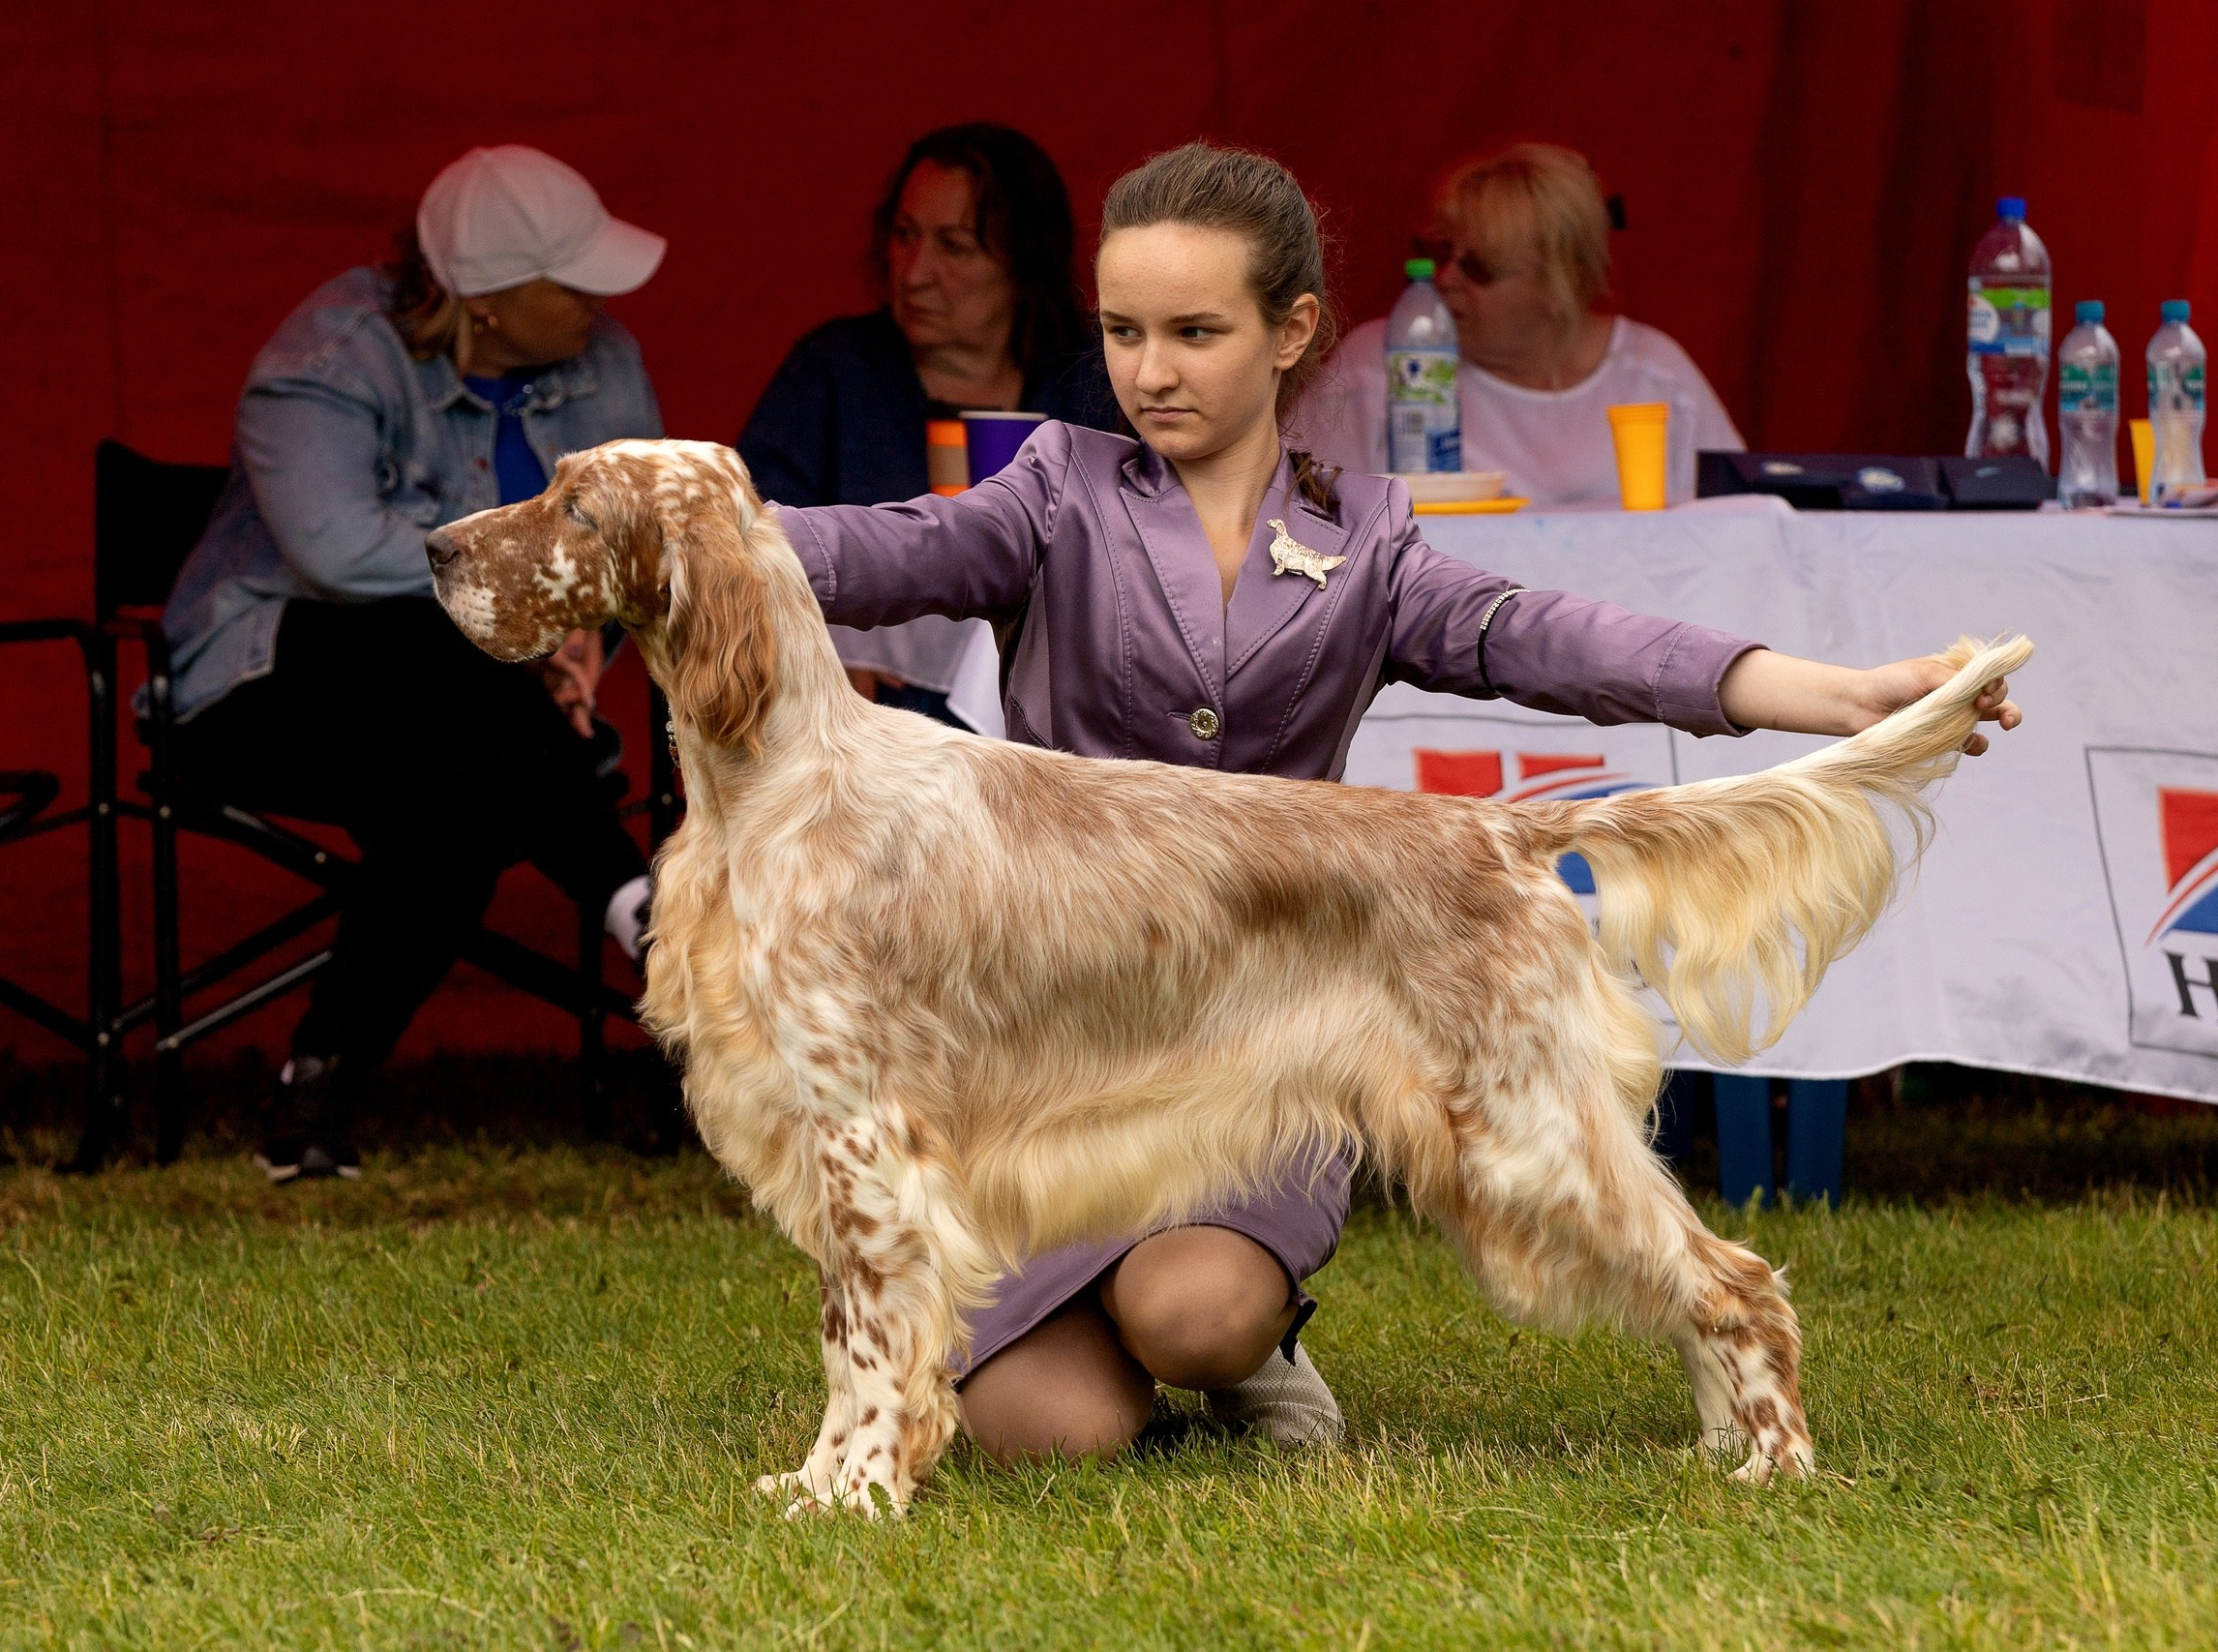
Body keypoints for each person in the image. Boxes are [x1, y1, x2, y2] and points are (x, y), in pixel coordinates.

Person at [776, 142, 2019, 1462]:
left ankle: (1259, 1337)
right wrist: (691, 523)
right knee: (1051, 1433)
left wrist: (1825, 696)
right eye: (1124, 330)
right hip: (1057, 1049)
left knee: (1196, 1316)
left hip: (1285, 1022)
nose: (1152, 369)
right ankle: (1134, 1341)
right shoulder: (1049, 496)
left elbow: (1553, 635)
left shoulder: (1363, 535)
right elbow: (877, 546)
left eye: (1197, 331)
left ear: (1291, 330)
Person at [157, 145, 666, 1183]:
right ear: (483, 298)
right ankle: (647, 916)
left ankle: (314, 1098)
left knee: (456, 797)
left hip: (473, 714)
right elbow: (341, 553)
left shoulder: (599, 356)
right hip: (265, 691)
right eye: (569, 278)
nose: (598, 301)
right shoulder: (330, 357)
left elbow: (638, 535)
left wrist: (582, 640)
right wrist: (537, 613)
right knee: (443, 655)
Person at [737, 124, 1124, 729]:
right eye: (904, 235)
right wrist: (806, 644)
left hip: (1070, 737)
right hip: (876, 741)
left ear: (1024, 260)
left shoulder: (1099, 375)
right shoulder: (834, 374)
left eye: (955, 245)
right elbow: (736, 545)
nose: (914, 272)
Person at [1301, 143, 1744, 507]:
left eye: (1480, 268)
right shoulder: (1373, 372)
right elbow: (1297, 525)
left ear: (1560, 282)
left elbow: (1742, 521)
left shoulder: (1655, 378)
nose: (1445, 280)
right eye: (1441, 254)